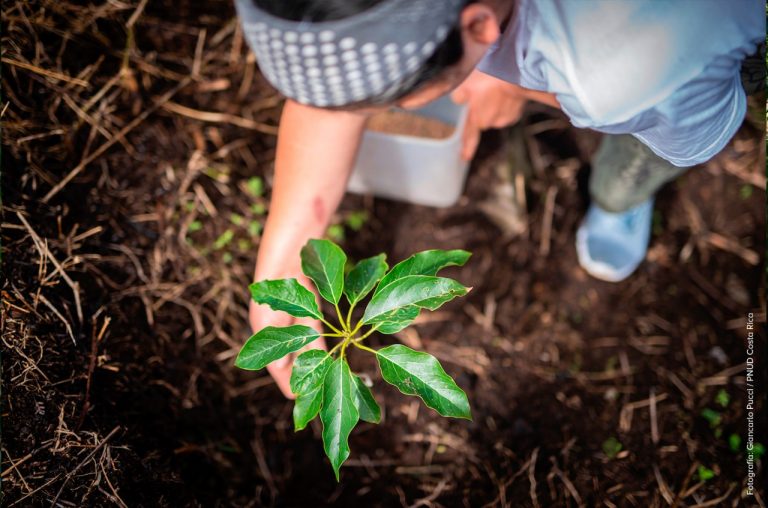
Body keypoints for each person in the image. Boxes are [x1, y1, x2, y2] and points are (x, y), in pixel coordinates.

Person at [234, 0, 764, 397]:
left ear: (478, 28)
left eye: (390, 99)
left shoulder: (619, 78)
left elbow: (696, 135)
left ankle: (617, 201)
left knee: (632, 166)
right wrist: (282, 259)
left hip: (694, 65)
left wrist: (518, 84)